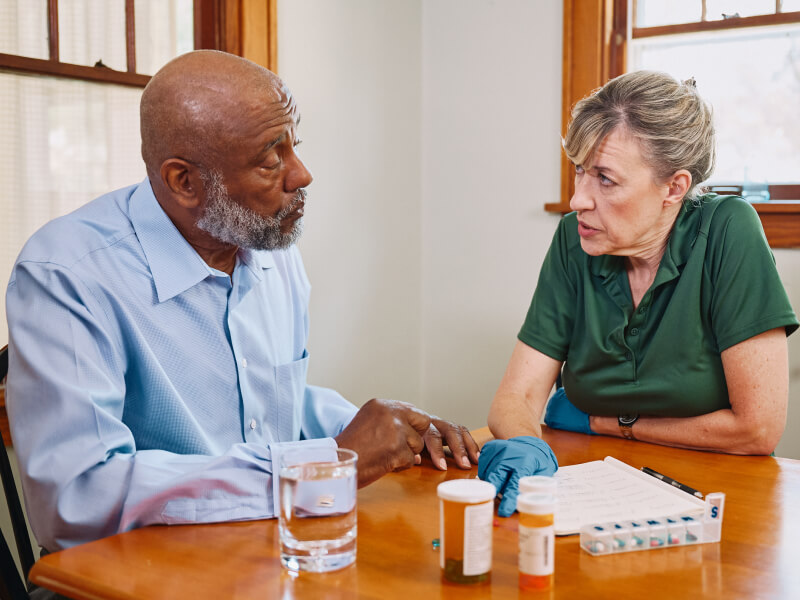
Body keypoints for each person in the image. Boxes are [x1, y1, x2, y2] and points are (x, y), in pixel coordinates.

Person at [5, 50, 479, 553]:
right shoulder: (69, 274)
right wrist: (323, 465)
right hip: (140, 572)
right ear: (183, 182)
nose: (301, 175)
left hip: (266, 549)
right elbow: (76, 500)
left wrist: (377, 430)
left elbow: (264, 404)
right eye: (270, 159)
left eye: (296, 148)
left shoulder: (267, 248)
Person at [479, 70, 798, 517]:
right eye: (579, 171)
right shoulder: (575, 239)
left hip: (716, 497)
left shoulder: (728, 230)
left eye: (605, 179)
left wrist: (607, 423)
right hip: (590, 482)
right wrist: (528, 444)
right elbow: (518, 397)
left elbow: (757, 429)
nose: (578, 200)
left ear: (674, 188)